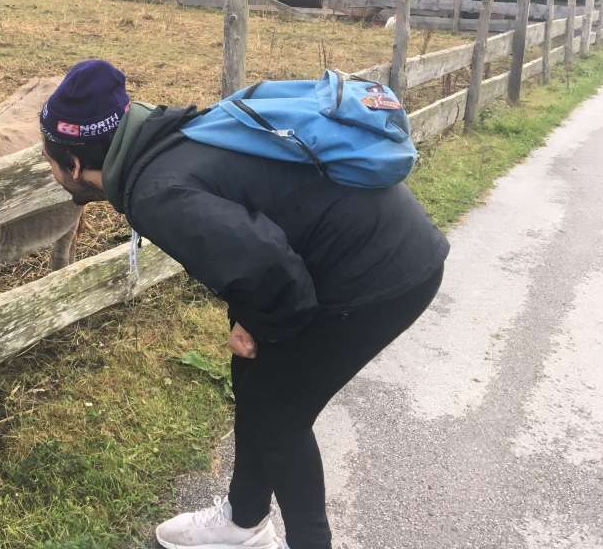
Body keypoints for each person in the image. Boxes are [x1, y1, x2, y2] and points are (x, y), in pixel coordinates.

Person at [39, 60, 449, 549]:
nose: (52, 172)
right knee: (254, 378)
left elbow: (271, 270)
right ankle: (243, 521)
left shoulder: (155, 192)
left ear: (74, 166)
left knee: (280, 416)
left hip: (380, 275)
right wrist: (249, 324)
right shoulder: (171, 136)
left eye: (49, 163)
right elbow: (254, 238)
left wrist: (257, 322)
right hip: (373, 248)